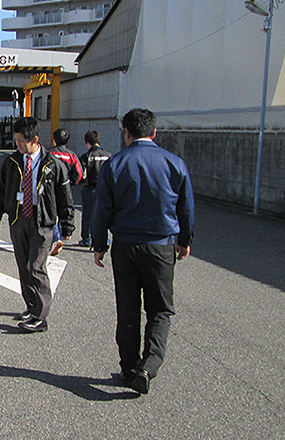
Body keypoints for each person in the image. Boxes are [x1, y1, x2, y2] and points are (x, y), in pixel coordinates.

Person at [92, 108, 194, 395]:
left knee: (128, 308)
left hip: (124, 245)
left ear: (126, 133)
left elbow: (102, 209)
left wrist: (100, 244)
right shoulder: (174, 163)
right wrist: (184, 240)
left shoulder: (115, 164)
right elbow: (185, 208)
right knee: (160, 309)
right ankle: (148, 366)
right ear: (154, 132)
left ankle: (128, 367)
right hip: (161, 245)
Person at [0, 117, 75, 333]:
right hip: (19, 219)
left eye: (21, 141)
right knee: (23, 266)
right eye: (16, 140)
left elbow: (64, 196)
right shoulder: (12, 163)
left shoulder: (53, 165)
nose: (17, 145)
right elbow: (1, 187)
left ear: (34, 139)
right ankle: (31, 307)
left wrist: (67, 225)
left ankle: (40, 316)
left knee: (37, 267)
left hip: (42, 222)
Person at [48, 128, 83, 256]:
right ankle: (65, 232)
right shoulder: (72, 155)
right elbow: (79, 173)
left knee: (52, 210)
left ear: (54, 140)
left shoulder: (49, 153)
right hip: (65, 186)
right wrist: (71, 182)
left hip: (50, 186)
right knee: (66, 208)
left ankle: (56, 236)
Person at [77, 130, 111, 247]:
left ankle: (87, 238)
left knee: (88, 214)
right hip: (105, 188)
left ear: (87, 142)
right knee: (104, 213)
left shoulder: (86, 157)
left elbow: (81, 174)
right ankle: (104, 238)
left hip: (90, 188)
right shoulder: (109, 156)